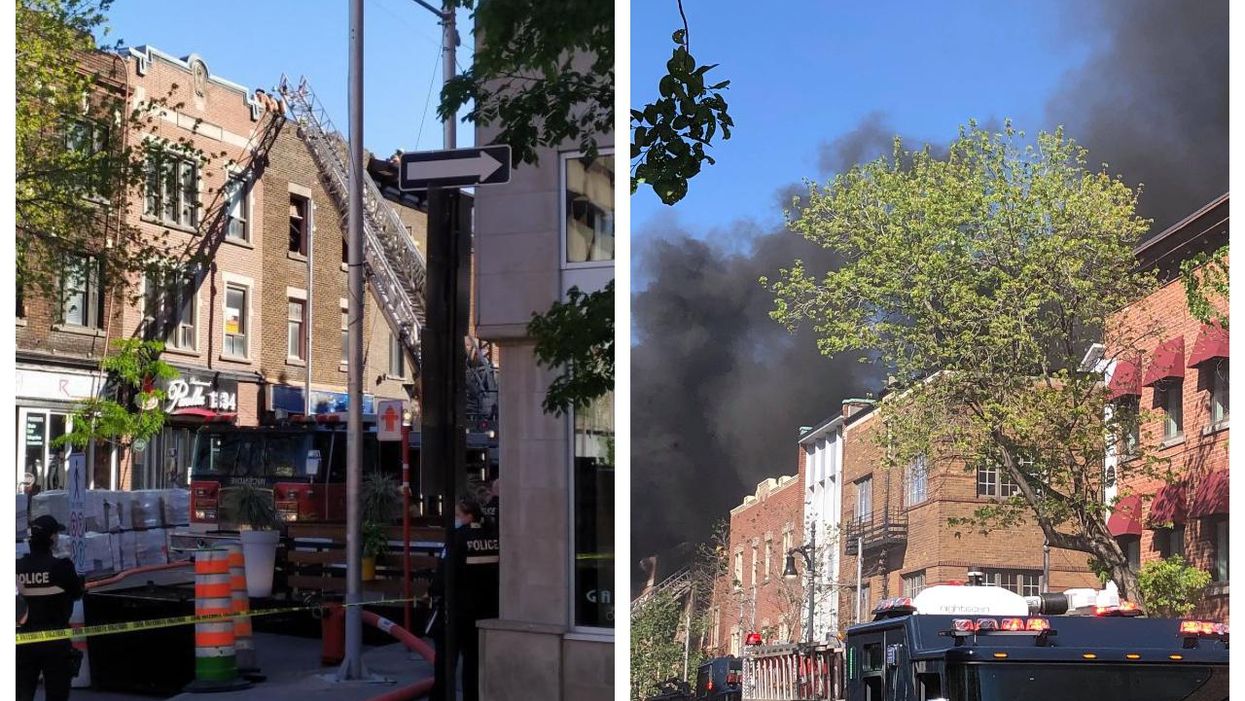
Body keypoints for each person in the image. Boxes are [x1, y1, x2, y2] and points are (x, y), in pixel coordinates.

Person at [429, 498, 499, 701]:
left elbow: (443, 575)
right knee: (474, 662)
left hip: (456, 610)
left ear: (469, 516)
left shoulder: (457, 538)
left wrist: (434, 592)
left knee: (445, 661)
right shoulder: (493, 536)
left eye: (458, 515)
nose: (456, 519)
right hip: (484, 609)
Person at [17, 515, 84, 701]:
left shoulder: (17, 567)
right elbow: (77, 593)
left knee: (22, 693)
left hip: (25, 640)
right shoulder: (61, 567)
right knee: (57, 693)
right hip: (55, 640)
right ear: (52, 538)